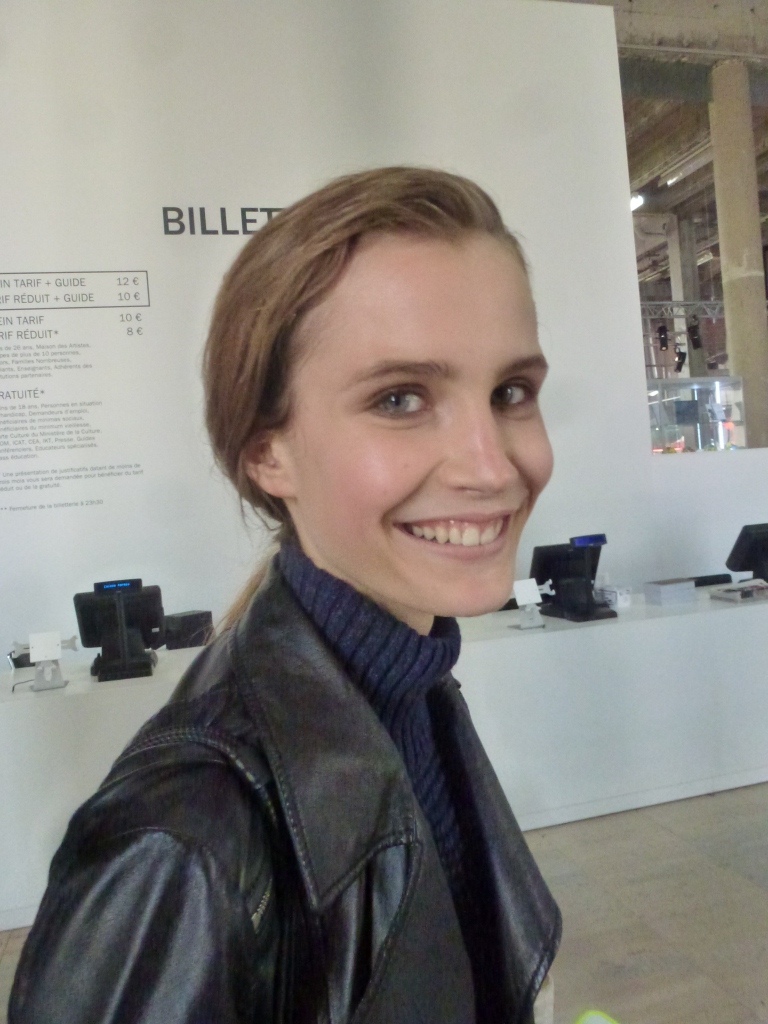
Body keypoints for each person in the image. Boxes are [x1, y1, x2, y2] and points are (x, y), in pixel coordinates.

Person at [10, 167, 561, 1024]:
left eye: (510, 393)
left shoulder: (414, 688)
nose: (492, 467)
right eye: (401, 399)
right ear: (268, 454)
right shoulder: (178, 839)